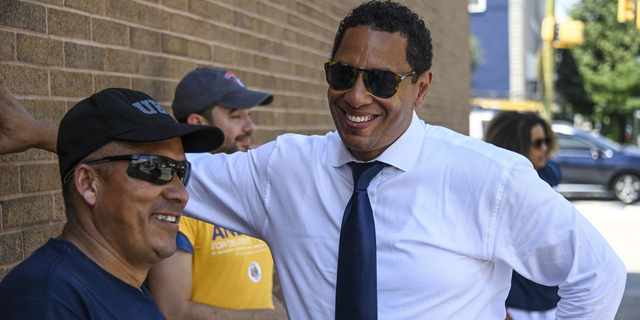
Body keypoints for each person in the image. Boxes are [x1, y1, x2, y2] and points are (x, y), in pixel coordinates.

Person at [0, 1, 627, 319]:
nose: (357, 96)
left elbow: (597, 277)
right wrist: (36, 133)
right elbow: (152, 168)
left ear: (422, 87)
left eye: (382, 81)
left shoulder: (489, 180)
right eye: (342, 74)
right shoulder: (284, 169)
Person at [0, 86, 224, 319]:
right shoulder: (50, 301)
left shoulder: (123, 289)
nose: (182, 194)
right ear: (88, 185)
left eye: (181, 171)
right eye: (156, 168)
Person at [147, 68, 287, 319]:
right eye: (236, 117)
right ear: (198, 124)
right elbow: (171, 310)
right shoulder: (176, 199)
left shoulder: (249, 192)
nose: (250, 126)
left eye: (249, 115)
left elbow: (249, 290)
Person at [484, 112, 562, 320]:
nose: (544, 148)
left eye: (546, 141)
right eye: (537, 143)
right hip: (516, 304)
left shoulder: (550, 174)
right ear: (515, 145)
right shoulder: (496, 188)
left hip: (551, 298)